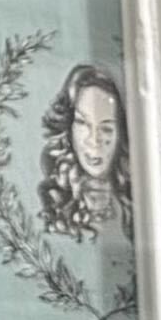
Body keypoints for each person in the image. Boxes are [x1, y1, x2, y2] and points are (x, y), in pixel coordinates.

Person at [39, 60, 132, 237]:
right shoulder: (55, 197)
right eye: (82, 123)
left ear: (121, 134)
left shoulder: (138, 201)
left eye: (106, 128)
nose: (93, 140)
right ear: (68, 128)